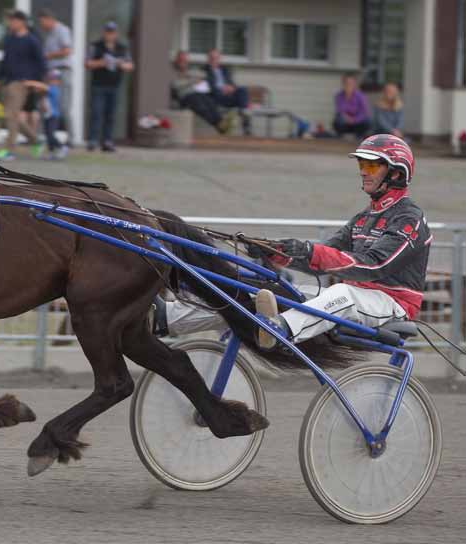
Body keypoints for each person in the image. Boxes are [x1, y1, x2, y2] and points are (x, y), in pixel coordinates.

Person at [153, 135, 430, 350]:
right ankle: (168, 318)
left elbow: (373, 266)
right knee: (263, 291)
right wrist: (278, 252)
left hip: (392, 303)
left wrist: (311, 252)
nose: (363, 171)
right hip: (355, 298)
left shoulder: (409, 219)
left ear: (395, 173)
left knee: (342, 294)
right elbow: (325, 258)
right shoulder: (363, 218)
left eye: (371, 164)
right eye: (361, 164)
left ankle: (278, 330)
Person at [0, 10, 46, 161]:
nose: (10, 24)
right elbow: (4, 61)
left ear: (21, 22)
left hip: (22, 83)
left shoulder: (32, 41)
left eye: (12, 21)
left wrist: (36, 82)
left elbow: (41, 63)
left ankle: (9, 150)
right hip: (8, 81)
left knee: (11, 115)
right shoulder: (9, 39)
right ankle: (36, 140)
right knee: (12, 116)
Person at [85, 21, 134, 152]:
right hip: (98, 85)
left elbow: (130, 66)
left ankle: (107, 141)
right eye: (107, 32)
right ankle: (92, 140)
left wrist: (120, 64)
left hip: (114, 86)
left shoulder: (122, 47)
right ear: (104, 32)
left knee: (110, 115)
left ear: (116, 34)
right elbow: (88, 63)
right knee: (96, 113)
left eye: (112, 32)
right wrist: (102, 62)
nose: (110, 35)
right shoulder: (96, 46)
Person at [170, 50, 232, 135]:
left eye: (185, 60)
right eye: (181, 60)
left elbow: (203, 75)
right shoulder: (172, 71)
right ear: (176, 60)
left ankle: (221, 122)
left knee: (209, 101)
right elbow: (175, 85)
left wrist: (194, 79)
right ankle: (219, 124)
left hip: (196, 93)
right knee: (199, 105)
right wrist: (192, 81)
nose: (183, 62)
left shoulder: (189, 71)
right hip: (184, 97)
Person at [37, 9, 72, 134]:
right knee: (47, 105)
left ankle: (70, 138)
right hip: (51, 73)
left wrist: (47, 56)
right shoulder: (49, 34)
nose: (41, 25)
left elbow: (67, 51)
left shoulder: (62, 30)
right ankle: (46, 136)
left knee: (63, 106)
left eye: (42, 22)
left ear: (49, 19)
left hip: (62, 71)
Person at [203, 49, 251, 136]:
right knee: (243, 103)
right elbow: (208, 88)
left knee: (242, 90)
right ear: (208, 59)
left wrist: (232, 88)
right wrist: (221, 89)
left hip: (229, 96)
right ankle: (246, 121)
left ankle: (244, 113)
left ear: (219, 59)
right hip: (217, 97)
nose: (214, 60)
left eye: (216, 58)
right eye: (212, 58)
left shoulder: (224, 70)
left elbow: (232, 83)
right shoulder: (204, 71)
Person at [26, 69, 67, 160]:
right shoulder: (48, 91)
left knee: (50, 134)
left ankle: (61, 147)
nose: (51, 81)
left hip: (53, 116)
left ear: (59, 81)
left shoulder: (54, 89)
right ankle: (51, 152)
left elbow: (42, 86)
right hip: (47, 115)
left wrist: (30, 82)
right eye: (50, 79)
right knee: (48, 135)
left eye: (54, 79)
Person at [334, 73, 371, 138]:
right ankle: (341, 138)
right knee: (337, 120)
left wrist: (354, 120)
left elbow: (364, 111)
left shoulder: (360, 96)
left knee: (367, 121)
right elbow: (340, 111)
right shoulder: (339, 96)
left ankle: (359, 137)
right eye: (346, 83)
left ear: (354, 84)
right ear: (343, 83)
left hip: (357, 122)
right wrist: (347, 118)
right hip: (345, 121)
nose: (348, 85)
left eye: (351, 83)